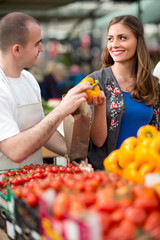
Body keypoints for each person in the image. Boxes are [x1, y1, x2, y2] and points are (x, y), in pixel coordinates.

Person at [0, 12, 93, 171]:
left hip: (32, 181)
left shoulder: (29, 79)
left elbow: (43, 130)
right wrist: (62, 110)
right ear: (17, 50)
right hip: (5, 188)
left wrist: (72, 153)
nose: (42, 49)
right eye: (37, 44)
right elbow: (15, 151)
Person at [87, 15, 160, 170]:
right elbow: (98, 141)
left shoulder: (152, 85)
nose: (114, 44)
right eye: (110, 39)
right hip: (108, 172)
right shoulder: (95, 83)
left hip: (144, 171)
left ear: (138, 41)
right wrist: (100, 105)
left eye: (122, 38)